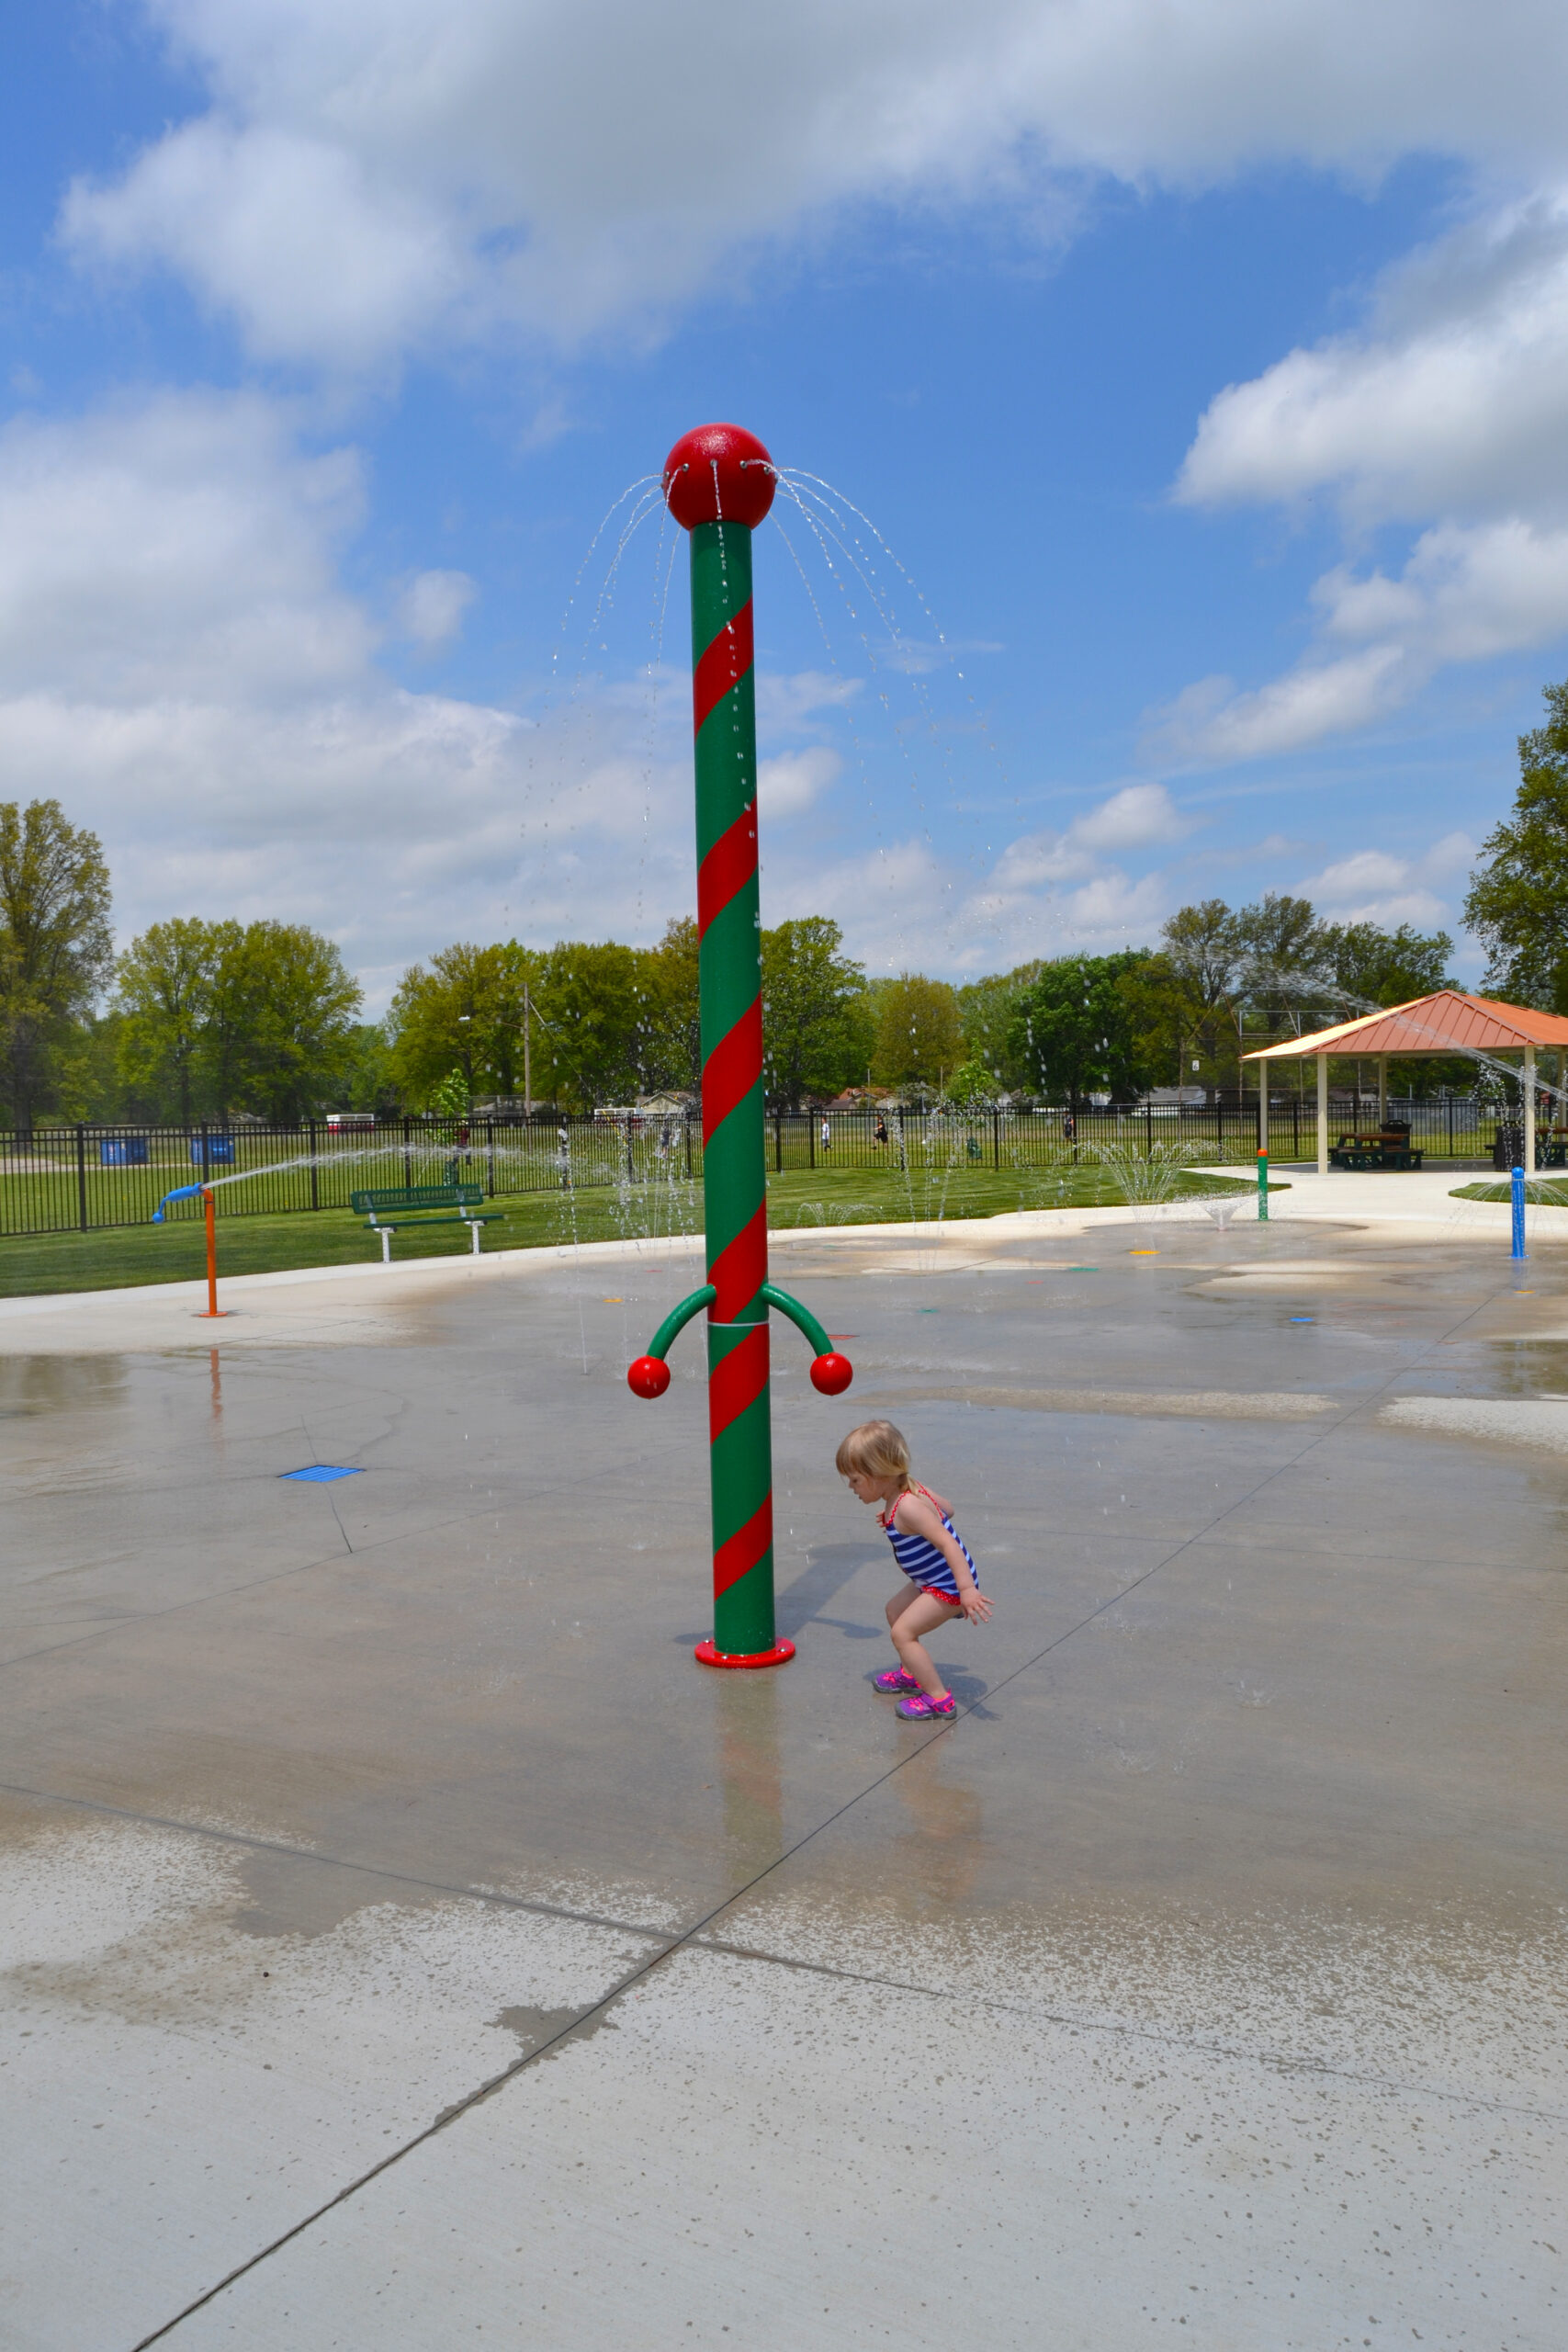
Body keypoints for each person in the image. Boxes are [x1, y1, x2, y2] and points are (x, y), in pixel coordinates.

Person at [836, 1419, 991, 1720]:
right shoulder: (908, 1494)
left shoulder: (907, 1506)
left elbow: (948, 1544)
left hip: (947, 1584)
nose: (851, 1488)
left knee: (903, 1633)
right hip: (930, 1578)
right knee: (894, 1611)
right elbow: (948, 1510)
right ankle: (910, 1673)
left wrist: (967, 1590)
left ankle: (938, 1699)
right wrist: (903, 1519)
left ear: (878, 1474)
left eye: (855, 1480)